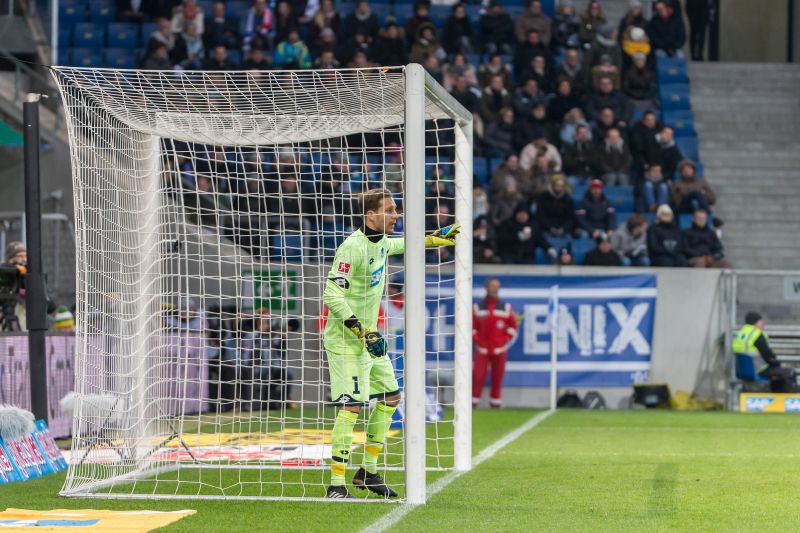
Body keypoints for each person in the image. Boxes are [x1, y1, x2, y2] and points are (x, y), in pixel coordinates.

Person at [323, 188, 459, 499]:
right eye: (390, 210)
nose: (396, 215)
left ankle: (367, 473)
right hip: (347, 340)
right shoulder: (351, 248)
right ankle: (336, 484)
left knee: (391, 398)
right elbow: (331, 294)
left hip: (369, 338)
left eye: (396, 209)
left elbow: (407, 243)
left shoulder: (382, 243)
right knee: (352, 406)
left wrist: (438, 236)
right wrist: (362, 332)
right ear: (371, 215)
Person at [472, 278, 520, 409]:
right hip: (482, 349)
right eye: (492, 286)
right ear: (486, 288)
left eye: (497, 287)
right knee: (477, 376)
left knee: (498, 377)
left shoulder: (506, 307)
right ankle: (472, 402)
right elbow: (471, 327)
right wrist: (478, 341)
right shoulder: (477, 307)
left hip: (499, 349)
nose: (495, 289)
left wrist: (504, 339)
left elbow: (513, 326)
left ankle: (495, 403)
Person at [733, 312, 798, 393]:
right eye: (761, 322)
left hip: (743, 371)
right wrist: (777, 364)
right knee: (789, 372)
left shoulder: (741, 333)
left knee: (777, 373)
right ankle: (791, 401)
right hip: (758, 369)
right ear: (756, 322)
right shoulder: (756, 334)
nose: (763, 324)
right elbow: (768, 355)